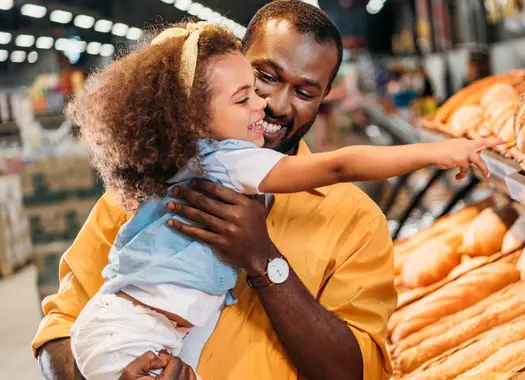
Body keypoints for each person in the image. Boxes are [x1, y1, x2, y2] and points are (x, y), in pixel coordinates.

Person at [30, 2, 492, 379]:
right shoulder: (151, 187)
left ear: (325, 98)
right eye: (263, 78)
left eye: (305, 91)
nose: (273, 104)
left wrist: (263, 259)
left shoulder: (356, 222)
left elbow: (351, 371)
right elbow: (60, 330)